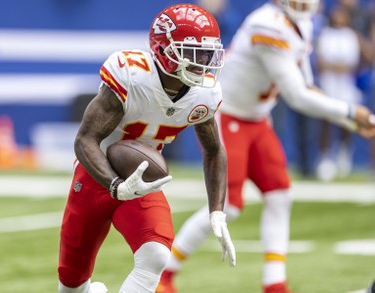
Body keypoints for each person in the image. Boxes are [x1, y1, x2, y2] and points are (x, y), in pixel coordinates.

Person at [157, 0, 375, 292]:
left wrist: (351, 122)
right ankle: (165, 274)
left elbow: (307, 85)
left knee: (280, 193)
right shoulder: (268, 24)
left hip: (257, 118)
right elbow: (297, 96)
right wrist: (350, 113)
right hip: (230, 114)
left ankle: (274, 283)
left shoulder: (302, 23)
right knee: (228, 206)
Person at [57, 4, 236, 293]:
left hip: (141, 180)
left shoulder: (204, 94)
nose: (203, 62)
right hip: (95, 176)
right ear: (165, 50)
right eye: (193, 53)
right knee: (71, 286)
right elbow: (84, 140)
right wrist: (115, 184)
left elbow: (214, 150)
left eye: (207, 53)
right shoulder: (131, 75)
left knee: (156, 254)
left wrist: (217, 212)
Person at [315, 4, 362, 181]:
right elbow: (321, 62)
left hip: (346, 87)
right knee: (326, 122)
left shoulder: (351, 36)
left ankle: (343, 155)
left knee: (346, 122)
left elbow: (353, 63)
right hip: (328, 86)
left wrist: (337, 66)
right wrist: (335, 66)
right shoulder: (325, 34)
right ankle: (325, 159)